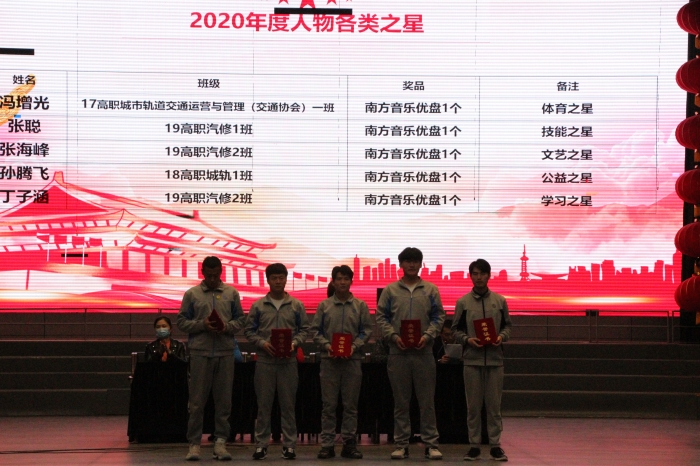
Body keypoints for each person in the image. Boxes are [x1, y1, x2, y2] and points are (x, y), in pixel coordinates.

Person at [375, 247, 445, 460]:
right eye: (407, 261)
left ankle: (431, 444)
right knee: (401, 402)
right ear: (401, 264)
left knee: (427, 402)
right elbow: (381, 317)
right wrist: (393, 337)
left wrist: (428, 336)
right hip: (398, 353)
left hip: (424, 353)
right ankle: (401, 444)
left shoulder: (430, 289)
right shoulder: (390, 291)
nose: (412, 264)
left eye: (415, 261)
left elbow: (439, 317)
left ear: (421, 264)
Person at [177, 256, 245, 461]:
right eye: (209, 275)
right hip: (200, 353)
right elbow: (181, 321)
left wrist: (227, 327)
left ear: (221, 272)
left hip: (225, 352)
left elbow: (240, 320)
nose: (213, 279)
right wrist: (202, 325)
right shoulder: (192, 294)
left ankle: (221, 442)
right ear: (203, 273)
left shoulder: (231, 293)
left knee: (224, 402)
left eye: (216, 275)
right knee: (196, 402)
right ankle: (194, 444)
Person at [244, 263, 310, 460]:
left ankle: (289, 445)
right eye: (274, 278)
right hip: (265, 362)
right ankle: (261, 445)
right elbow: (249, 331)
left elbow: (305, 330)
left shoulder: (296, 305)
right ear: (268, 280)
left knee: (288, 406)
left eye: (281, 278)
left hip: (288, 362)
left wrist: (294, 344)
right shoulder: (258, 306)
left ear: (286, 279)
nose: (278, 281)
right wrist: (262, 343)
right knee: (264, 406)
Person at [452, 259, 513, 462]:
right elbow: (455, 330)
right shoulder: (463, 302)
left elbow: (508, 327)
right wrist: (467, 340)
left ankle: (495, 446)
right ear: (470, 276)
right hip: (472, 361)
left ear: (489, 275)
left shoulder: (499, 301)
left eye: (482, 273)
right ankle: (474, 446)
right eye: (475, 274)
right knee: (473, 407)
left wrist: (501, 337)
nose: (479, 277)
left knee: (494, 407)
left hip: (495, 361)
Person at [310, 265, 372, 460]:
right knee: (328, 405)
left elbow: (366, 331)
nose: (342, 282)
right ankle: (327, 445)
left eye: (346, 278)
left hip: (352, 360)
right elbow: (315, 331)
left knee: (350, 405)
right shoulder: (324, 306)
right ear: (333, 282)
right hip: (329, 361)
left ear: (351, 281)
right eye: (339, 279)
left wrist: (354, 347)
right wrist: (328, 346)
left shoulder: (360, 306)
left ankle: (349, 444)